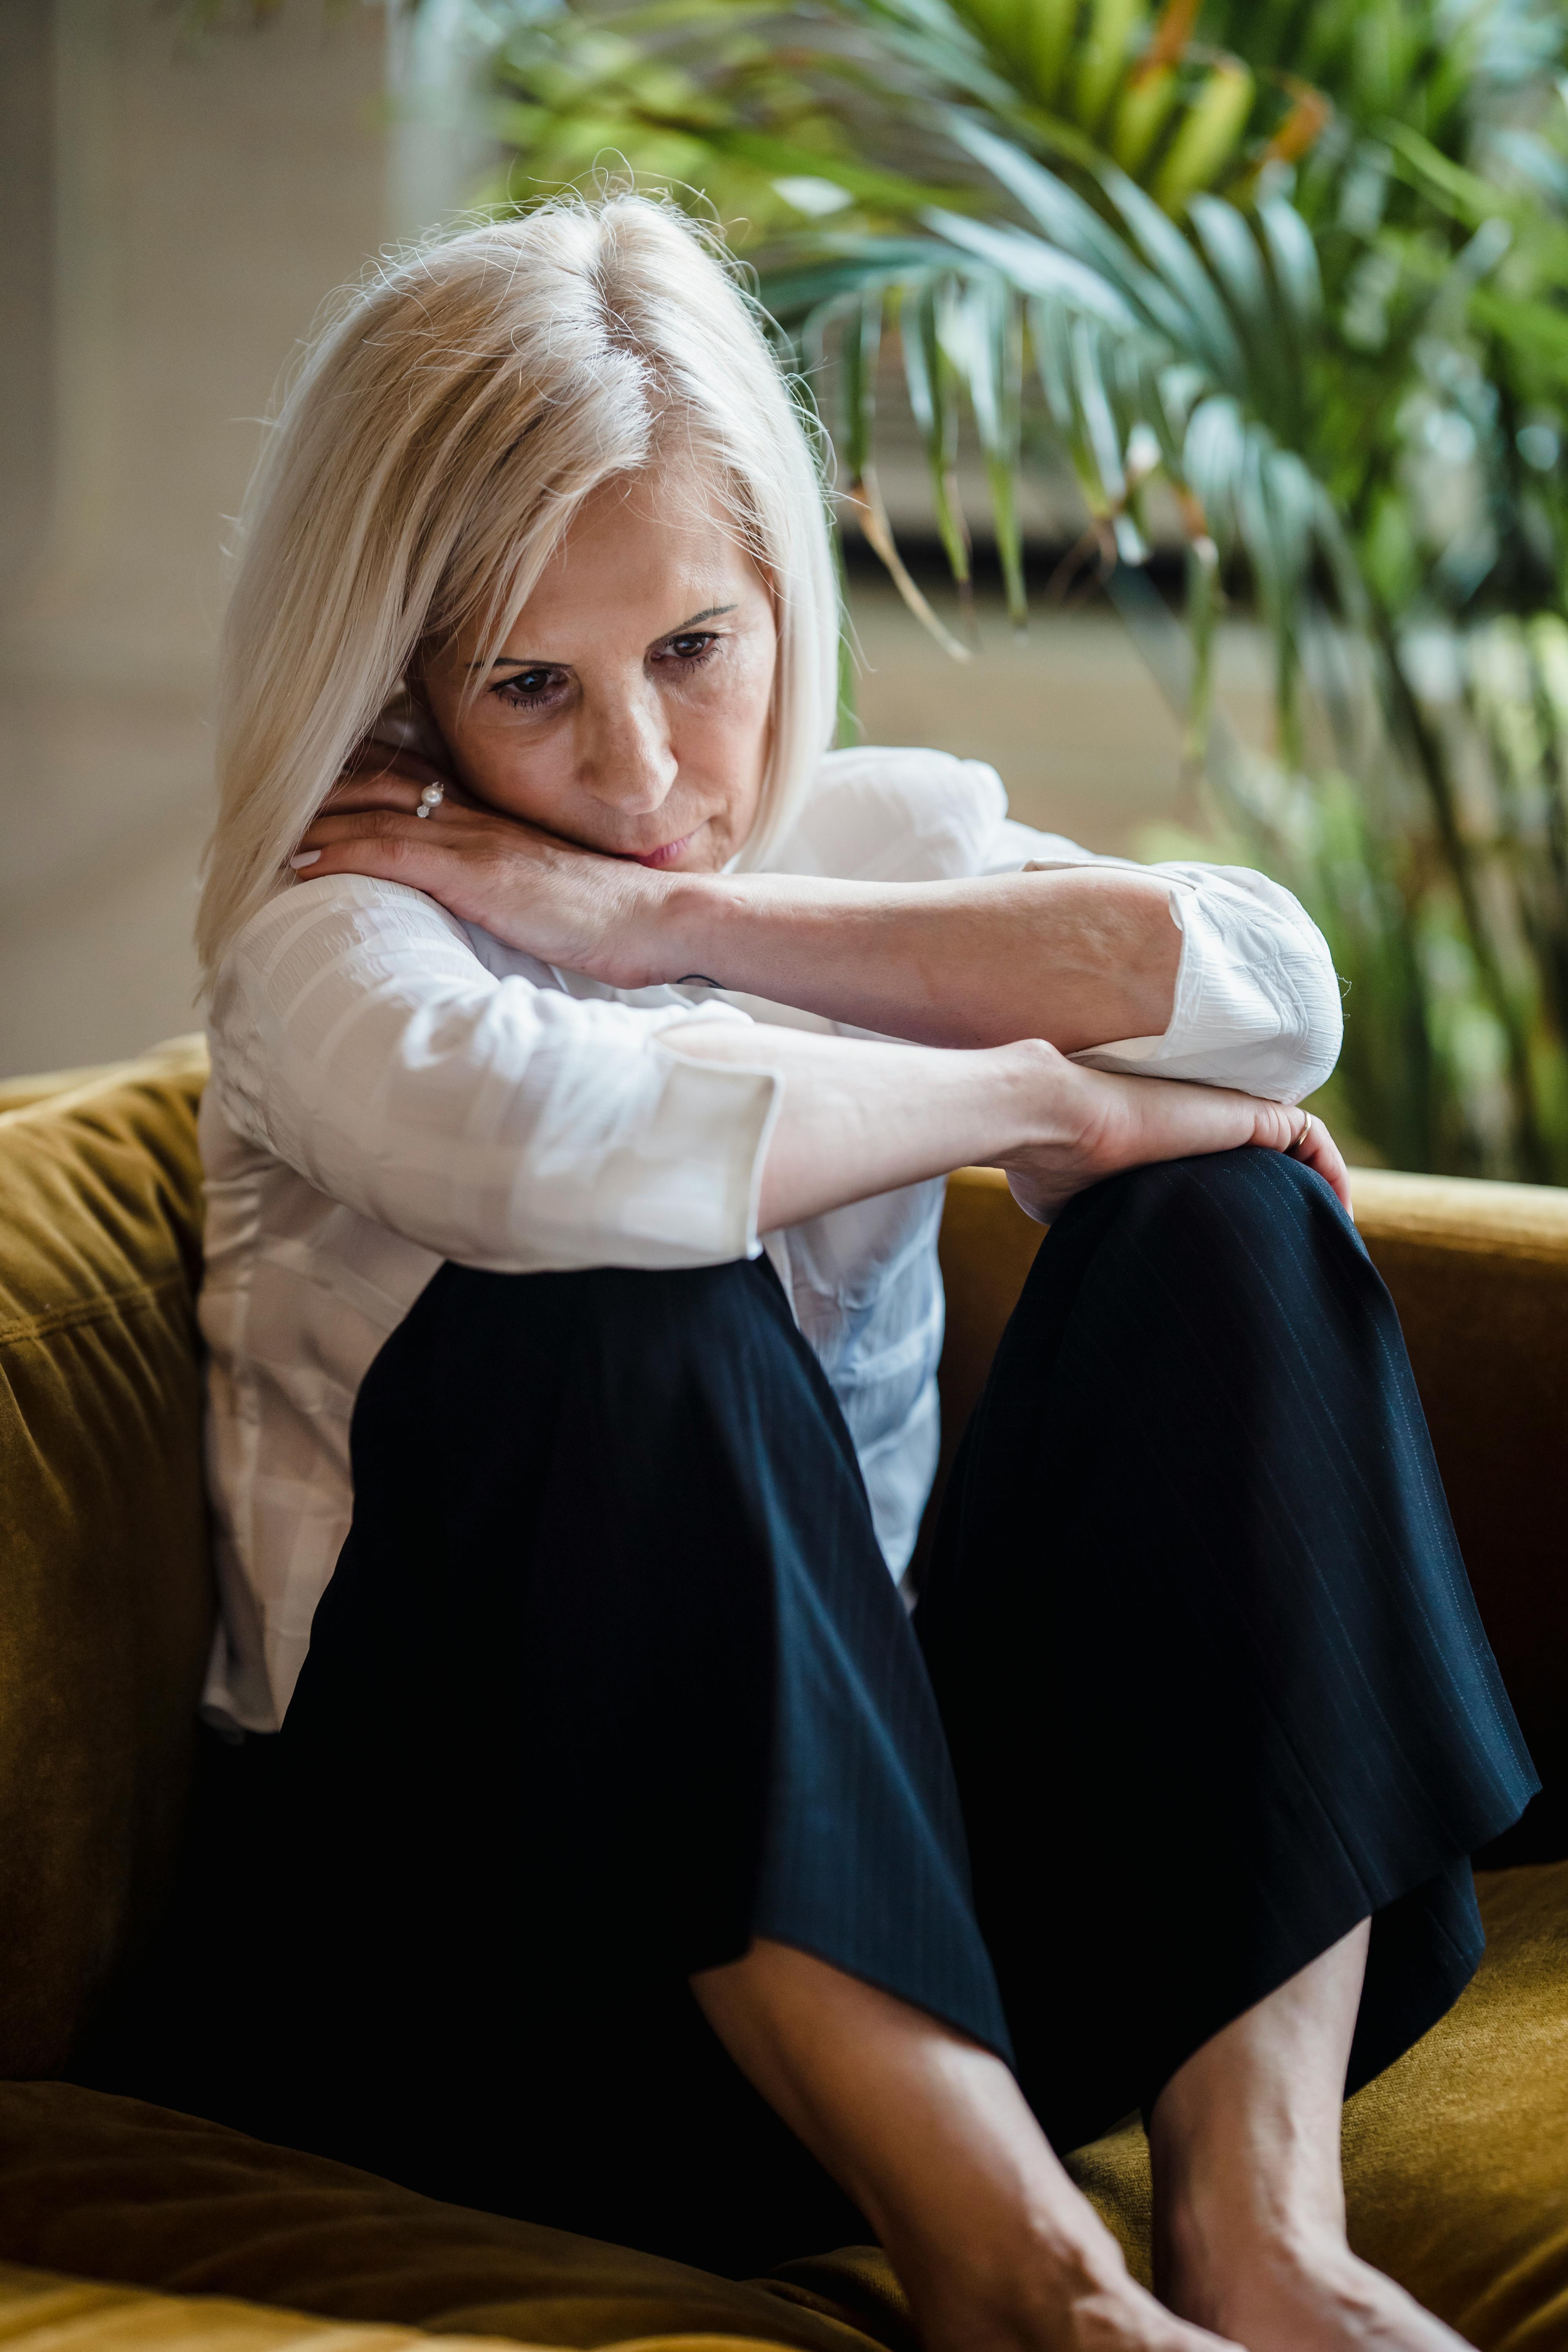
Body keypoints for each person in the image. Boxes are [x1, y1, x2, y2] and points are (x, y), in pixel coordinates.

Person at [171, 195, 1532, 2352]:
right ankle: (1033, 2286)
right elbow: (557, 1155)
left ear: (785, 601)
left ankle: (1265, 2243)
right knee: (635, 1293)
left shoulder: (854, 857)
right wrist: (1038, 1103)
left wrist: (692, 931)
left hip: (891, 1927)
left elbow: (1269, 995)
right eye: (534, 684)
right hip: (472, 1968)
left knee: (1233, 1218)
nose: (640, 775)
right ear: (405, 680)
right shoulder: (346, 929)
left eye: (695, 652)